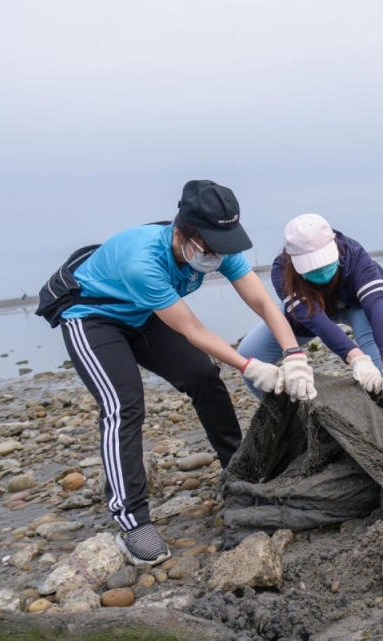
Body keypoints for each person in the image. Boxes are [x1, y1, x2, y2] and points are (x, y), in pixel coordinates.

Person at [57, 180, 316, 565]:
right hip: (93, 317)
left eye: (221, 248)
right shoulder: (142, 261)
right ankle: (132, 520)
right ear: (181, 234)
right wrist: (249, 366)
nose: (216, 257)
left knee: (203, 376)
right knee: (123, 404)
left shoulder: (218, 245)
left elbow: (262, 300)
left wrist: (293, 353)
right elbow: (193, 330)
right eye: (208, 249)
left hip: (144, 313)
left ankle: (239, 469)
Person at [238, 213, 383, 406]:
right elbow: (317, 321)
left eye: (323, 262)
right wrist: (356, 358)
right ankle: (285, 416)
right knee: (249, 354)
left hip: (356, 308)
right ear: (292, 259)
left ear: (334, 242)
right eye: (310, 266)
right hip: (311, 315)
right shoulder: (282, 270)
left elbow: (378, 312)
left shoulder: (357, 258)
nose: (319, 270)